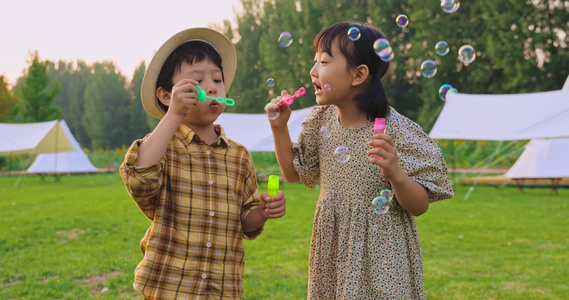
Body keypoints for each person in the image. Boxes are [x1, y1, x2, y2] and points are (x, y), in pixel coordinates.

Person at [268, 22, 454, 299]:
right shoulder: (320, 121)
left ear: (359, 74)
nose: (313, 70)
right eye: (315, 61)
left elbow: (419, 206)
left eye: (324, 61)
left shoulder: (396, 130)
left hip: (383, 257)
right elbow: (295, 173)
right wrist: (279, 127)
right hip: (334, 251)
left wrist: (396, 173)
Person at [120, 27, 287, 299]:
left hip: (222, 288)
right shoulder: (164, 146)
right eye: (196, 81)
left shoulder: (239, 155)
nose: (211, 87)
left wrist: (263, 211)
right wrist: (174, 114)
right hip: (170, 286)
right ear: (166, 96)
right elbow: (139, 179)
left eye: (217, 80)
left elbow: (245, 222)